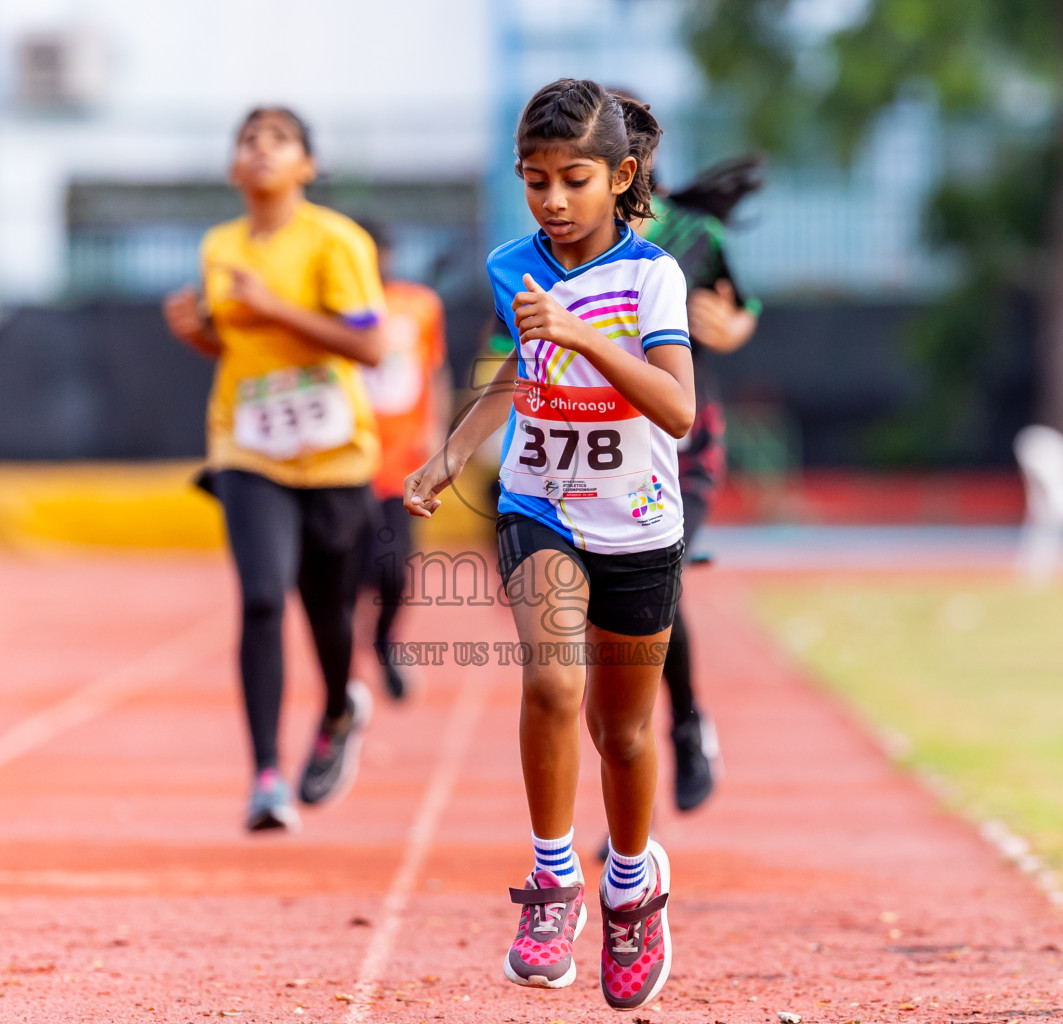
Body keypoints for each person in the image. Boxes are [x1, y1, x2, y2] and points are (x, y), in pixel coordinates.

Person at [404, 79, 694, 1011]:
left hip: (640, 521)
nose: (554, 201)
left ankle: (631, 886)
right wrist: (450, 456)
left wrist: (582, 333)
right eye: (535, 181)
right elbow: (516, 378)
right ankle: (552, 879)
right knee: (550, 680)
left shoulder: (654, 275)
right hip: (540, 506)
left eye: (574, 179)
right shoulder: (509, 265)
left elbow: (677, 409)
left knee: (621, 731)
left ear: (621, 177)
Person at [162, 107, 387, 833]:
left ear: (306, 166)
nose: (260, 151)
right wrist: (198, 334)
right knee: (261, 597)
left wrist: (275, 307)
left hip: (331, 453)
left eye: (278, 140)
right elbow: (231, 345)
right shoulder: (219, 244)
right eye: (248, 141)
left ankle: (336, 707)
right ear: (233, 168)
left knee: (327, 612)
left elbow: (371, 346)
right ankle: (265, 776)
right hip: (245, 444)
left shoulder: (335, 242)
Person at [632, 152, 764, 812]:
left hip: (681, 449)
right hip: (596, 453)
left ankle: (684, 726)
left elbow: (739, 310)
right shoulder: (560, 243)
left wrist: (733, 327)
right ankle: (623, 787)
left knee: (657, 583)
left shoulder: (693, 237)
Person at [357, 222, 451, 700]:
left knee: (394, 569)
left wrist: (435, 431)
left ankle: (385, 641)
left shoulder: (420, 305)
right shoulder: (334, 309)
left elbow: (433, 369)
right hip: (347, 463)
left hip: (401, 464)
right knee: (348, 573)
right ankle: (346, 675)